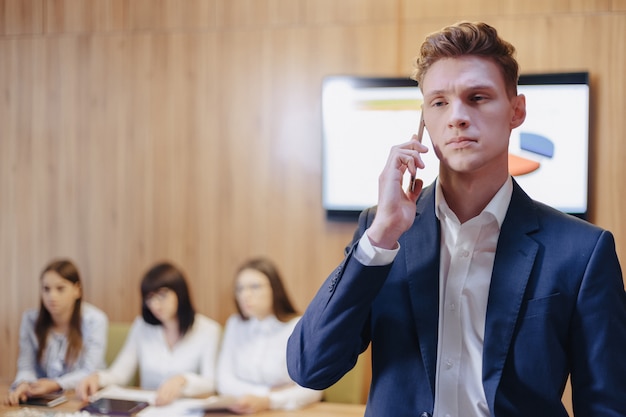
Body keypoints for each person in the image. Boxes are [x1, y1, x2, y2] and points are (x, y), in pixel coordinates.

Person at [287, 21, 626, 417]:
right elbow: (310, 367)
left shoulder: (582, 251)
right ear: (423, 122)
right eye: (439, 103)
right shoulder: (382, 236)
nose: (457, 117)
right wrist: (379, 237)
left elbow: (608, 406)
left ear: (517, 111)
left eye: (477, 97)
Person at [76, 262, 221, 406]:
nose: (155, 305)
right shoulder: (141, 326)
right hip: (150, 409)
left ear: (180, 293)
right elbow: (120, 374)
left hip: (186, 410)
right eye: (149, 298)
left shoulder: (208, 330)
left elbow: (211, 383)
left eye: (162, 295)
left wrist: (182, 380)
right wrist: (96, 378)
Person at [216, 257, 322, 414]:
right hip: (243, 410)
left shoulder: (298, 326)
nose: (245, 295)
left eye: (254, 287)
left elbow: (313, 389)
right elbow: (223, 381)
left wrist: (269, 402)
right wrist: (267, 392)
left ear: (275, 289)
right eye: (240, 288)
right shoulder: (235, 324)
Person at [3, 259, 108, 406]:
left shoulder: (95, 320)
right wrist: (24, 383)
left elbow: (90, 371)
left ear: (77, 290)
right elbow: (26, 366)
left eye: (60, 288)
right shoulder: (30, 319)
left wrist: (56, 384)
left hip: (81, 398)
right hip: (41, 400)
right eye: (46, 289)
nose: (52, 296)